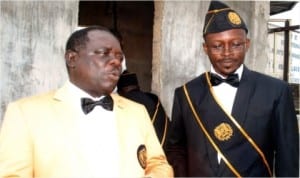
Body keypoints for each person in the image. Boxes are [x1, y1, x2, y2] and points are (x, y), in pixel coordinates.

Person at [0, 25, 173, 178]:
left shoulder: (137, 112)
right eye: (103, 53)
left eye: (119, 57)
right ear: (72, 59)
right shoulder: (25, 113)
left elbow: (159, 164)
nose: (115, 62)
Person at [165, 0, 299, 177]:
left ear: (247, 44)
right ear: (205, 48)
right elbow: (176, 149)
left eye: (236, 44)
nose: (227, 52)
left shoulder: (275, 91)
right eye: (217, 46)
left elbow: (287, 159)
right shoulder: (186, 93)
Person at [117, 70, 170, 146]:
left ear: (120, 91)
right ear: (138, 86)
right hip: (161, 149)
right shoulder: (153, 99)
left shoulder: (122, 103)